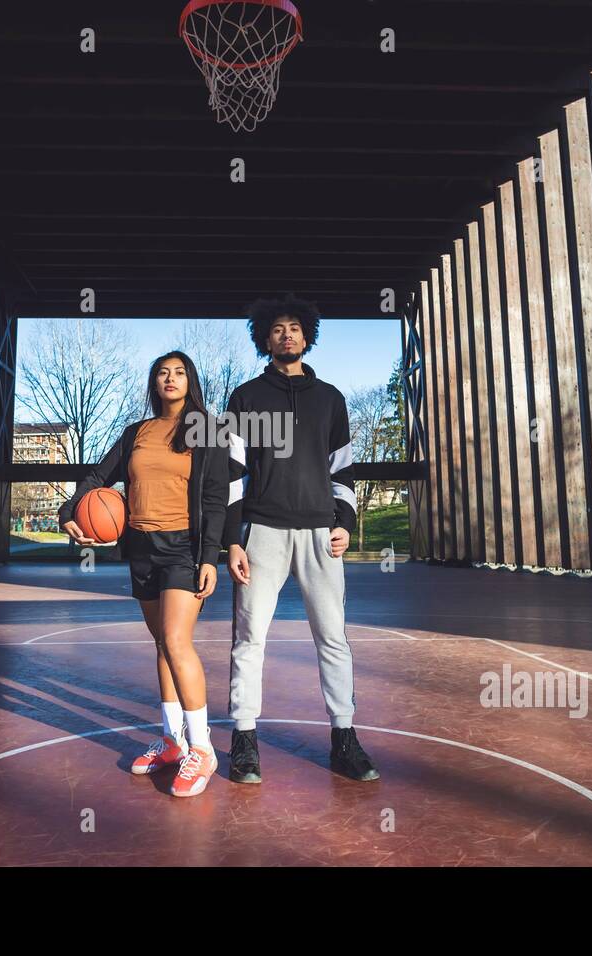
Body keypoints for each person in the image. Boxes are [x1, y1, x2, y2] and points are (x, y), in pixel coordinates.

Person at [223, 294, 380, 783]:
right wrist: (231, 539)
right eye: (277, 328)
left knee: (333, 638)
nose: (287, 334)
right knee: (249, 639)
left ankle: (344, 738)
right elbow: (232, 473)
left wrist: (344, 524)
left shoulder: (330, 398)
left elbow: (343, 470)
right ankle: (244, 740)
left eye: (295, 327)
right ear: (264, 338)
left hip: (318, 534)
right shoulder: (245, 397)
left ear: (307, 336)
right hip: (263, 532)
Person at [58, 351, 229, 797]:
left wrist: (210, 555)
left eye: (178, 373)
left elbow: (215, 499)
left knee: (176, 640)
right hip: (141, 547)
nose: (169, 379)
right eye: (161, 373)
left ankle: (203, 749)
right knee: (160, 643)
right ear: (153, 383)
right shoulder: (136, 432)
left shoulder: (206, 431)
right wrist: (66, 511)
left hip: (184, 548)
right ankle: (172, 742)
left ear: (190, 381)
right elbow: (96, 477)